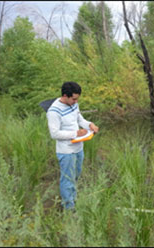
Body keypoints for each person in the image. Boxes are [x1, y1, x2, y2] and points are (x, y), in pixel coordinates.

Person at [46, 81, 99, 210]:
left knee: (76, 175)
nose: (76, 101)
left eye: (77, 99)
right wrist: (75, 133)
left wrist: (89, 125)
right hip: (66, 151)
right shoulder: (53, 111)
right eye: (74, 99)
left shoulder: (74, 104)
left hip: (78, 147)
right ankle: (69, 208)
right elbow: (55, 134)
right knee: (67, 179)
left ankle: (72, 199)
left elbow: (79, 119)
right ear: (65, 96)